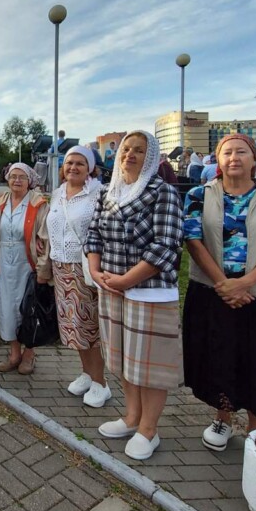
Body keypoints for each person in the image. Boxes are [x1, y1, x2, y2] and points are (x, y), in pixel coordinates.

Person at [182, 133, 256, 451]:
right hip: (213, 291)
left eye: (241, 152)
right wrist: (224, 283)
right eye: (227, 152)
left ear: (254, 158)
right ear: (218, 161)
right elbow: (193, 240)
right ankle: (223, 418)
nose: (234, 157)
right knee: (220, 357)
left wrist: (244, 283)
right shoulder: (198, 194)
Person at [86, 130, 183, 462]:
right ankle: (131, 417)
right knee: (126, 358)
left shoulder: (162, 192)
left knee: (149, 364)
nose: (129, 155)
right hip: (113, 287)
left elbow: (165, 246)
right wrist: (96, 271)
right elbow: (94, 234)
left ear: (151, 157)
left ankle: (149, 430)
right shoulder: (108, 193)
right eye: (126, 149)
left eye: (139, 151)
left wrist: (127, 279)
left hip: (148, 291)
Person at [43, 147, 110, 406]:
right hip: (61, 267)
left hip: (85, 269)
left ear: (90, 168)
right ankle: (87, 373)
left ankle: (100, 383)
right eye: (69, 162)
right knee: (73, 328)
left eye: (80, 163)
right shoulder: (58, 193)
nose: (73, 167)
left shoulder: (98, 194)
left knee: (88, 327)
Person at [0, 162, 48, 374]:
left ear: (30, 181)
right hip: (4, 263)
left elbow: (45, 237)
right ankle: (14, 354)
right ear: (7, 179)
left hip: (27, 263)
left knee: (29, 308)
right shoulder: (0, 202)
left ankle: (29, 354)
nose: (17, 180)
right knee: (7, 308)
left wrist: (42, 268)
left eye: (22, 177)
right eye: (13, 176)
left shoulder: (38, 204)